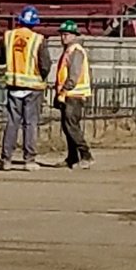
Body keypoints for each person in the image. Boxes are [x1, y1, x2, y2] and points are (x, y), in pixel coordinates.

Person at [0, 6, 47, 170]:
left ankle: (6, 160)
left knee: (12, 122)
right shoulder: (38, 39)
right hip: (33, 87)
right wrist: (42, 77)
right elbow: (45, 64)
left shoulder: (8, 36)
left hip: (13, 85)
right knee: (30, 123)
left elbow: (0, 58)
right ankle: (29, 160)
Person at [51, 20, 93, 169]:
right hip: (68, 94)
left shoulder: (76, 51)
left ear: (74, 35)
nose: (63, 37)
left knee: (71, 126)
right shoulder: (69, 50)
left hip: (74, 95)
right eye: (62, 34)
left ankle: (86, 155)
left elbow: (73, 76)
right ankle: (72, 157)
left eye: (66, 34)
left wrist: (64, 90)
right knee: (67, 126)